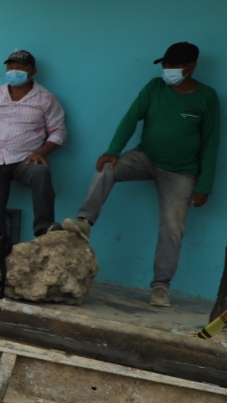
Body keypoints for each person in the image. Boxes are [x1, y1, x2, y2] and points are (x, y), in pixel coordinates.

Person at [63, 42, 220, 307]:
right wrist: (113, 150)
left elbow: (211, 142)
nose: (168, 70)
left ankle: (161, 287)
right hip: (145, 157)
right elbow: (131, 118)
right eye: (166, 65)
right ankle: (84, 222)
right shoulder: (154, 87)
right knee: (107, 169)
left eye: (174, 66)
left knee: (173, 226)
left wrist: (204, 185)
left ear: (191, 67)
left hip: (181, 173)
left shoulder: (207, 97)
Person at [0, 50, 67, 244]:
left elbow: (59, 132)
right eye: (11, 67)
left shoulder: (46, 99)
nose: (14, 71)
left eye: (20, 68)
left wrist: (41, 152)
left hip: (25, 159)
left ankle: (44, 227)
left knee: (40, 173)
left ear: (33, 72)